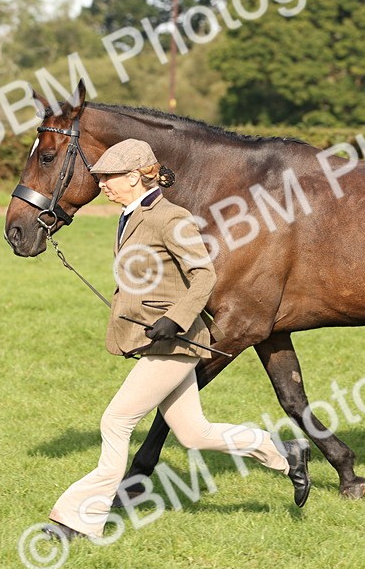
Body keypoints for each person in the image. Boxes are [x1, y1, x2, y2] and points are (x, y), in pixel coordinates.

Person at [43, 138, 310, 542]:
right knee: (193, 433)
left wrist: (174, 319)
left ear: (134, 176)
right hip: (156, 339)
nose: (102, 186)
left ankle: (78, 520)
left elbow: (203, 275)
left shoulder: (171, 218)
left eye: (108, 178)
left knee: (116, 422)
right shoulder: (131, 214)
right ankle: (284, 452)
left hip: (175, 342)